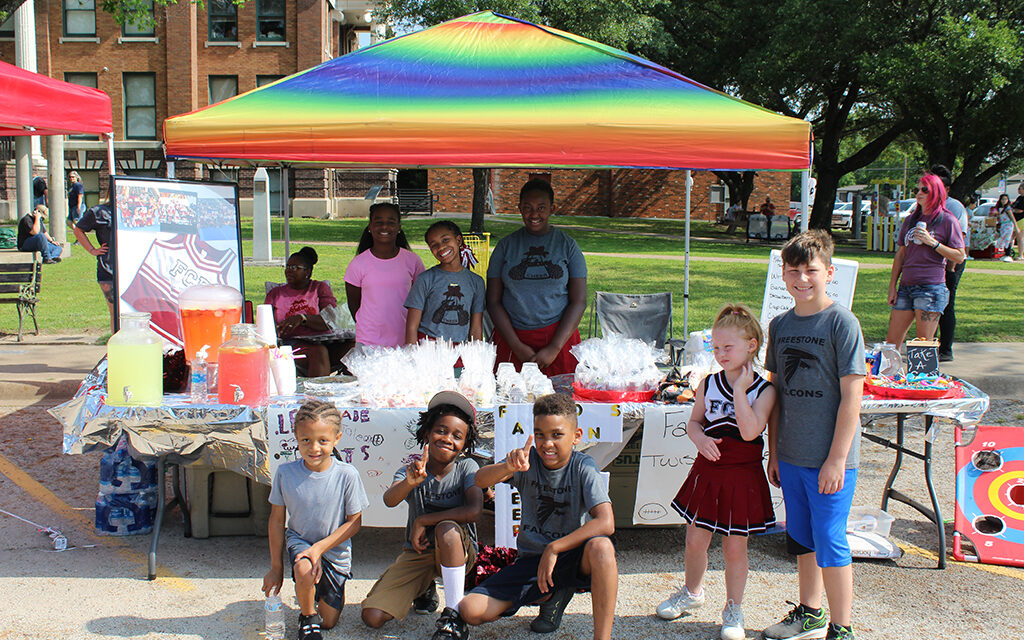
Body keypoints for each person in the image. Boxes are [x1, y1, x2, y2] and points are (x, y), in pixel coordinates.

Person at [763, 230, 865, 640]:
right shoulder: (780, 324)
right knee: (801, 537)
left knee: (829, 538)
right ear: (782, 274)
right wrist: (773, 452)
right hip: (791, 454)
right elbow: (775, 393)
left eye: (811, 271)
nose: (802, 279)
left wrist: (836, 459)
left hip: (830, 459)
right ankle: (811, 613)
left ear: (829, 272)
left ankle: (842, 628)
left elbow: (851, 399)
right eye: (794, 271)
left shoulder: (842, 322)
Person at [657, 303, 777, 640]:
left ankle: (733, 609)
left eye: (729, 347)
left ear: (751, 345)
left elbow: (751, 431)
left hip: (742, 474)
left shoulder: (765, 391)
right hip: (708, 470)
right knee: (695, 539)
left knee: (734, 547)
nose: (721, 354)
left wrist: (740, 390)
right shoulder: (708, 383)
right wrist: (699, 439)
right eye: (716, 347)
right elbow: (695, 422)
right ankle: (692, 592)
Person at [457, 393, 617, 640]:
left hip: (572, 555)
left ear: (576, 436)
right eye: (540, 434)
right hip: (531, 561)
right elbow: (479, 481)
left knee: (602, 547)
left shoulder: (584, 466)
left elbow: (606, 522)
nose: (547, 443)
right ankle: (553, 595)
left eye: (557, 434)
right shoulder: (526, 461)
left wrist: (555, 548)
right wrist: (507, 468)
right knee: (470, 610)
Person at [361, 391, 482, 640]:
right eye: (441, 430)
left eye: (457, 436)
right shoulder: (412, 470)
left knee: (446, 529)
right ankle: (423, 588)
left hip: (459, 551)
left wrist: (423, 520)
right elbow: (389, 500)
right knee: (372, 617)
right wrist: (409, 482)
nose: (447, 439)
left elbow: (473, 511)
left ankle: (455, 614)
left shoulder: (467, 467)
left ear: (465, 444)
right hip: (419, 553)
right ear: (426, 432)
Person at [262, 400, 369, 640]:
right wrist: (276, 569)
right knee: (304, 567)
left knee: (329, 622)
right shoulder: (285, 473)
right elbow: (276, 521)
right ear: (296, 437)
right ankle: (307, 617)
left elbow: (355, 522)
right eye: (306, 440)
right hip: (301, 543)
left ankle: (313, 595)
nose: (314, 448)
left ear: (337, 438)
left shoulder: (347, 475)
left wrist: (319, 549)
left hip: (334, 552)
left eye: (323, 440)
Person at [487, 180, 587, 376]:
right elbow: (492, 301)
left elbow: (579, 301)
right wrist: (516, 345)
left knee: (561, 402)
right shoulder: (506, 246)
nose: (534, 214)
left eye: (541, 208)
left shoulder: (567, 245)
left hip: (559, 337)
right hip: (512, 337)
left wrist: (555, 347)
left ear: (552, 208)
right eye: (527, 208)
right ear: (519, 209)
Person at [884, 173, 966, 349]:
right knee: (891, 345)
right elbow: (900, 255)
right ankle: (888, 376)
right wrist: (892, 286)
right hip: (906, 287)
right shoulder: (910, 220)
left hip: (931, 288)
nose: (919, 193)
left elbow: (959, 256)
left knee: (923, 347)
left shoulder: (948, 220)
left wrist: (933, 243)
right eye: (917, 189)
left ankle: (923, 378)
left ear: (936, 192)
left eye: (924, 190)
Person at [345, 202, 425, 348]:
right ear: (370, 226)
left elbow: (422, 299)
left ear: (399, 227)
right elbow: (354, 305)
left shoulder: (412, 261)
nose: (384, 227)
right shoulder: (358, 263)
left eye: (391, 222)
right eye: (379, 222)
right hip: (369, 341)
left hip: (406, 339)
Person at [405, 221, 485, 345]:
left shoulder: (476, 282)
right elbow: (411, 327)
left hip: (460, 350)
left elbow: (476, 328)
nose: (441, 247)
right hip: (428, 348)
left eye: (445, 240)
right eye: (434, 245)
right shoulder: (425, 279)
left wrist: (477, 354)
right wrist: (412, 355)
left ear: (458, 241)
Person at [264, 246, 339, 377]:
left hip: (326, 341)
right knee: (318, 352)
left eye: (295, 268)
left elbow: (331, 320)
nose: (289, 271)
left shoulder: (319, 288)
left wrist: (302, 319)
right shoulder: (275, 294)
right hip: (289, 346)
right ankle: (318, 395)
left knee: (355, 348)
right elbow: (265, 324)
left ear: (307, 272)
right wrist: (276, 329)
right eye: (287, 267)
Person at [930, 165, 969, 362]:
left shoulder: (955, 207)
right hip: (933, 262)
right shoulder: (925, 205)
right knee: (930, 304)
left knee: (946, 304)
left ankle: (945, 349)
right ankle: (930, 343)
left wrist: (950, 270)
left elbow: (959, 243)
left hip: (951, 262)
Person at [74, 201, 115, 331]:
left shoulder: (135, 209)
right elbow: (78, 230)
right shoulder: (99, 212)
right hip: (108, 269)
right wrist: (93, 250)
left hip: (132, 269)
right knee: (115, 312)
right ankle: (115, 346)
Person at [993, 194, 1023, 263]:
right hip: (1003, 225)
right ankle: (1005, 253)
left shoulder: (1008, 208)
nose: (1004, 201)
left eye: (1005, 199)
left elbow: (1012, 218)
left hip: (1008, 225)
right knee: (1003, 239)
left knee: (1008, 239)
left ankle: (1008, 254)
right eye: (1002, 199)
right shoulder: (1000, 208)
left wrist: (1016, 227)